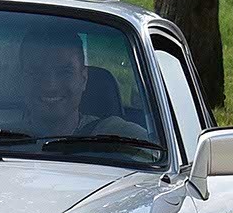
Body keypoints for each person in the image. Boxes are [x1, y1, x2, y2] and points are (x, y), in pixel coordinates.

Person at [17, 30, 151, 140]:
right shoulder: (4, 142)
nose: (51, 86)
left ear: (84, 78)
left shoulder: (125, 140)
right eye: (36, 72)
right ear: (21, 79)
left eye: (65, 72)